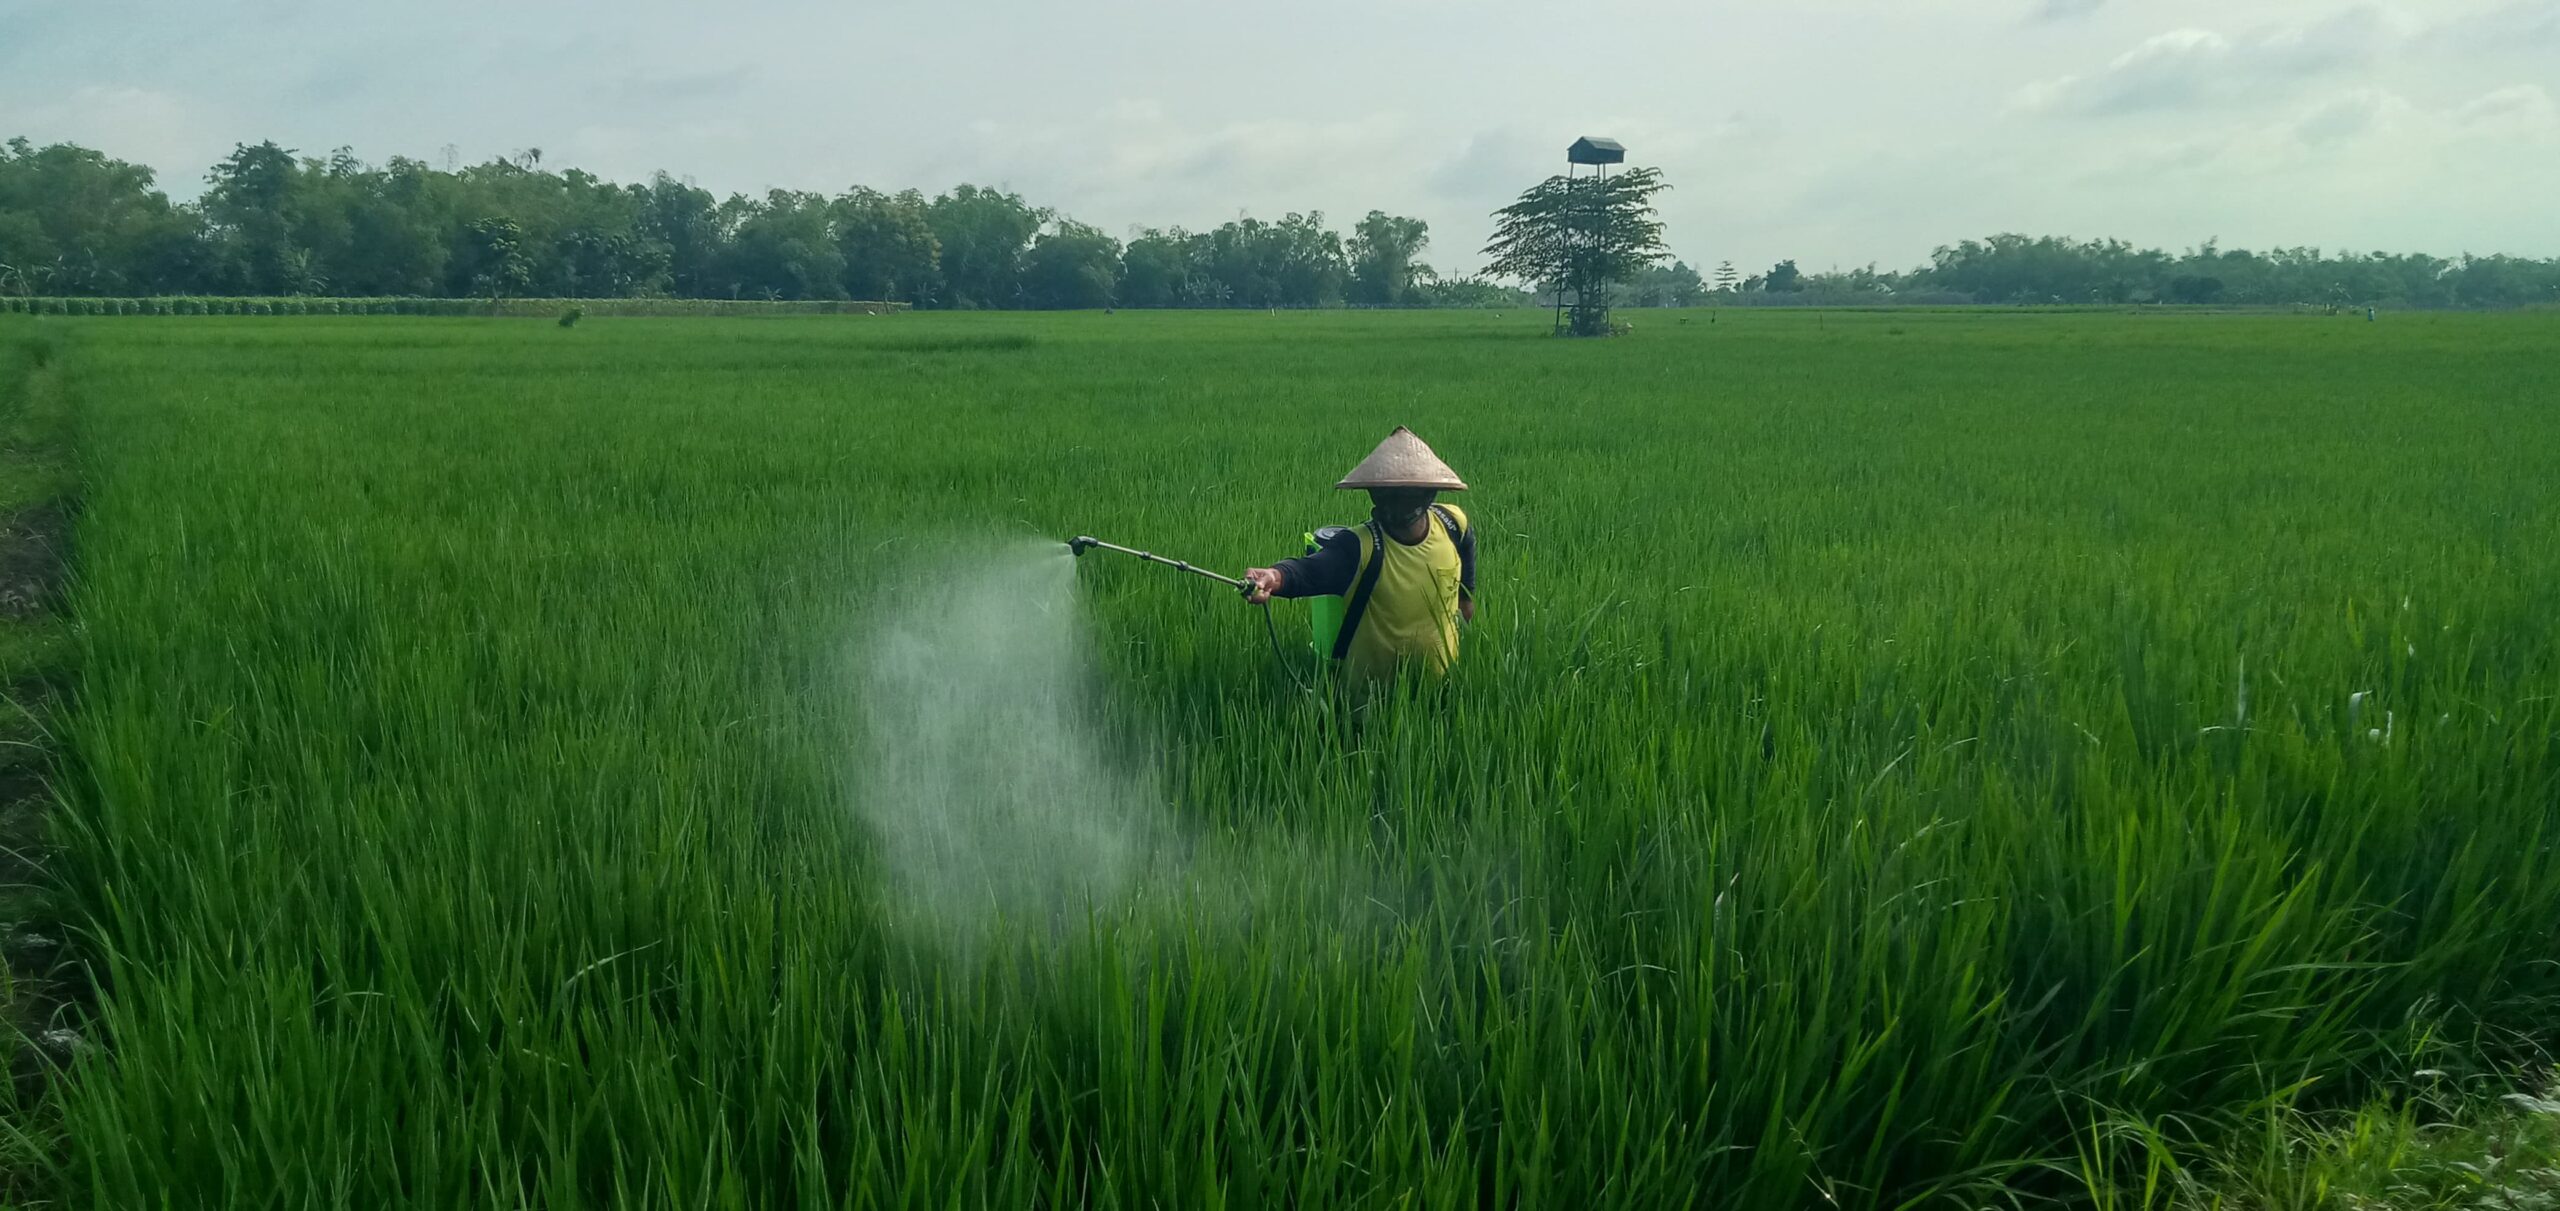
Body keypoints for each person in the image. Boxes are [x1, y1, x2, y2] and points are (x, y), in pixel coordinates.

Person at [1243, 427, 1476, 680]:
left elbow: (1466, 547)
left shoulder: (1452, 523)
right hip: (1371, 696)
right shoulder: (1359, 546)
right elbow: (1308, 572)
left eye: (1405, 494)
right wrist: (1272, 577)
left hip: (1441, 681)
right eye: (1385, 494)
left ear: (1427, 493)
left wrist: (1466, 596)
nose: (1394, 503)